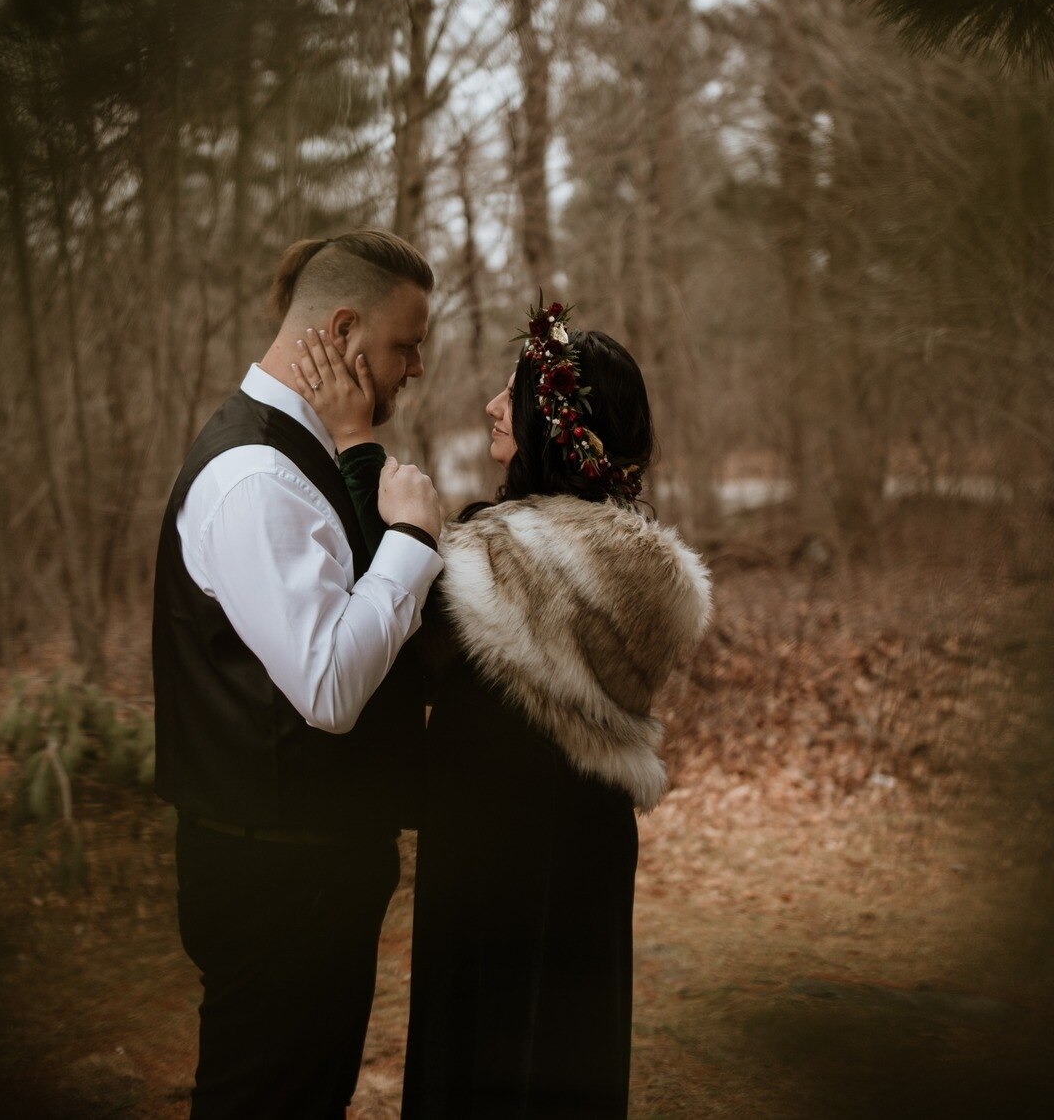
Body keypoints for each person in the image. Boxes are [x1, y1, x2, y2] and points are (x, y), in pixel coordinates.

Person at [293, 299, 712, 1119]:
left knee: (479, 1050)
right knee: (568, 1048)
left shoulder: (500, 555)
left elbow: (388, 639)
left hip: (491, 845)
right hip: (588, 839)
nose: (492, 403)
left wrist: (355, 448)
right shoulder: (640, 566)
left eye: (512, 391)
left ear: (556, 423)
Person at [151, 229, 448, 1120]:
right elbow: (327, 688)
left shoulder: (301, 454)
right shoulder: (256, 477)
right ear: (347, 329)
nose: (415, 368)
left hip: (308, 879)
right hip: (278, 889)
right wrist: (412, 543)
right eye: (405, 345)